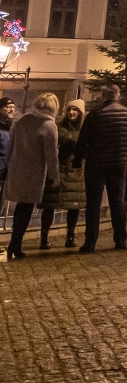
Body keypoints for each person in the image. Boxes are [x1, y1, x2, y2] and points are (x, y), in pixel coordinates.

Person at [74, 84, 127, 254]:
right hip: (119, 163)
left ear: (103, 95)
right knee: (118, 202)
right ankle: (120, 240)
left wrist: (77, 161)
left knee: (94, 204)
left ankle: (90, 242)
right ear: (118, 95)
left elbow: (83, 139)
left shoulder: (95, 114)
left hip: (96, 163)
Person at [4, 94, 60, 260]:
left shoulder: (23, 120)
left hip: (16, 168)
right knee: (26, 208)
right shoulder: (49, 126)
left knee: (20, 207)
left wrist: (9, 164)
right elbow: (51, 155)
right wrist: (54, 175)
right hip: (34, 172)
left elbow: (10, 145)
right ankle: (15, 243)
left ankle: (15, 242)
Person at [39, 98, 87, 250]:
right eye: (69, 109)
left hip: (75, 171)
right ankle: (44, 237)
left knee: (73, 206)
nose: (72, 112)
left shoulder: (84, 130)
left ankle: (70, 236)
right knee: (50, 205)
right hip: (58, 170)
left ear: (80, 113)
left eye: (75, 110)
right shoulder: (57, 127)